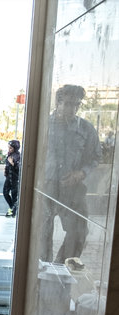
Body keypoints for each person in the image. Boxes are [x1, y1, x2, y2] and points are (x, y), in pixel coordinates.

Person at [41, 85, 101, 263]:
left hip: (73, 190)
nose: (72, 109)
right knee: (42, 233)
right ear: (58, 103)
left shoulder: (86, 129)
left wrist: (81, 173)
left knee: (79, 231)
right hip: (46, 188)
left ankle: (63, 266)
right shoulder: (43, 125)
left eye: (76, 105)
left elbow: (95, 156)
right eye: (67, 104)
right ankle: (43, 271)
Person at [3, 139, 21, 217]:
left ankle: (13, 211)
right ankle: (12, 208)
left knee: (14, 195)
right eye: (8, 148)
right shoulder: (10, 154)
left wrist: (13, 164)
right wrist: (5, 170)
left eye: (11, 148)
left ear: (15, 148)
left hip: (15, 178)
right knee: (5, 193)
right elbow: (7, 164)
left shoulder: (18, 156)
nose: (9, 149)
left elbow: (19, 168)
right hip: (9, 177)